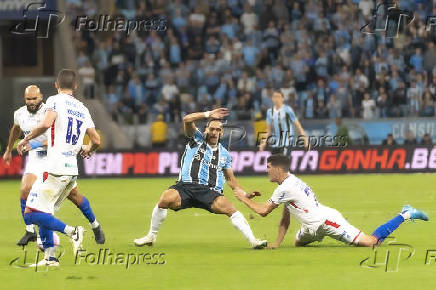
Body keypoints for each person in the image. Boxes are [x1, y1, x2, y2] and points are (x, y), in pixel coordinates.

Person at [133, 108, 267, 249]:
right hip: (186, 186)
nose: (214, 132)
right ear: (206, 130)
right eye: (212, 129)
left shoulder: (225, 154)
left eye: (218, 130)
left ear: (222, 133)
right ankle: (151, 236)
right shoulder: (196, 139)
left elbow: (230, 179)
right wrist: (208, 114)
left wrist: (245, 194)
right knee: (165, 198)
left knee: (229, 208)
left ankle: (253, 241)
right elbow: (187, 119)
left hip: (209, 191)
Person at [234, 155, 429, 248]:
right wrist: (277, 242)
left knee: (371, 242)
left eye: (268, 167)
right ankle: (311, 235)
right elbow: (286, 215)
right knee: (298, 243)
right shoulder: (287, 185)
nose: (266, 170)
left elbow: (263, 211)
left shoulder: (286, 187)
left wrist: (242, 198)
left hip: (326, 221)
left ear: (278, 169)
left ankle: (406, 213)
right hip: (311, 226)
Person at [17, 69, 101, 267]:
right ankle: (50, 258)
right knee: (44, 212)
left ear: (56, 84)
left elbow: (46, 124)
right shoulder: (82, 108)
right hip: (71, 170)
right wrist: (89, 148)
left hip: (54, 167)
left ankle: (73, 231)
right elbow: (96, 139)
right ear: (76, 86)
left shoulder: (55, 100)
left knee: (30, 212)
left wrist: (27, 138)